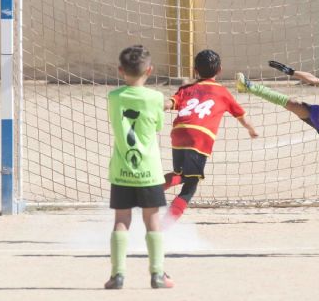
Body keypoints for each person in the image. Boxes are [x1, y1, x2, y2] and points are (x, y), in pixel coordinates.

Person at [236, 58, 319, 209]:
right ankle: (249, 86)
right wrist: (291, 72)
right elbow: (314, 80)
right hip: (318, 117)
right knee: (292, 103)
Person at [104, 45, 174, 289]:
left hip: (122, 171)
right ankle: (157, 274)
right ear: (150, 70)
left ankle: (117, 275)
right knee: (152, 220)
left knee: (121, 220)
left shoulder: (113, 97)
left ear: (121, 70)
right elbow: (157, 127)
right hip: (149, 172)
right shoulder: (155, 98)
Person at [163, 49, 259, 227]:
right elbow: (242, 116)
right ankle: (164, 225)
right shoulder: (222, 92)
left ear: (195, 70)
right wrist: (252, 130)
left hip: (178, 132)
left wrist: (153, 106)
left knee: (180, 174)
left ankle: (150, 191)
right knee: (190, 185)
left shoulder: (186, 88)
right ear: (220, 69)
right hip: (200, 137)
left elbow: (168, 104)